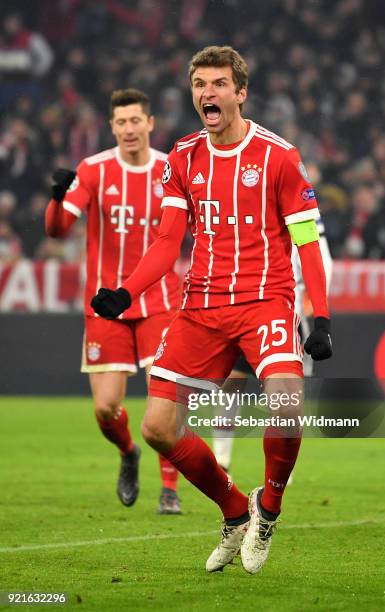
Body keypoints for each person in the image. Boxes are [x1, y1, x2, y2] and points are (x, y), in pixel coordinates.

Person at [91, 47, 332, 574]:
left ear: (240, 93)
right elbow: (166, 242)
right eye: (200, 84)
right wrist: (126, 292)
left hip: (265, 302)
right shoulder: (182, 158)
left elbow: (307, 240)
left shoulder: (279, 156)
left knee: (286, 406)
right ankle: (232, 510)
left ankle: (267, 509)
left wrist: (323, 318)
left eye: (219, 84)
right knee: (157, 426)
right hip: (200, 305)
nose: (207, 93)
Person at [44, 88, 182, 514]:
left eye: (135, 120)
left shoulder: (170, 169)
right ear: (112, 127)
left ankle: (170, 489)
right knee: (106, 407)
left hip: (158, 299)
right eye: (121, 122)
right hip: (106, 303)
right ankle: (128, 452)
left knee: (167, 401)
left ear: (150, 123)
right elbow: (58, 230)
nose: (128, 129)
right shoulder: (94, 170)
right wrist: (56, 198)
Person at [212, 218, 333, 475]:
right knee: (232, 381)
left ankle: (280, 467)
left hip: (285, 310)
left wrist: (317, 297)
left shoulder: (299, 205)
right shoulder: (250, 198)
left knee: (281, 392)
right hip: (244, 307)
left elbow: (320, 253)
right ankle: (221, 458)